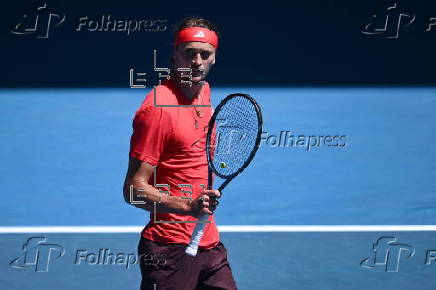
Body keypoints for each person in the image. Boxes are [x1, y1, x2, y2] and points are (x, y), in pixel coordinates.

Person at [123, 16, 237, 290]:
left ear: (214, 58)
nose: (196, 61)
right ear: (175, 54)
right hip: (168, 250)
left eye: (204, 54)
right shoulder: (158, 110)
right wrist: (188, 206)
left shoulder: (204, 92)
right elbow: (132, 190)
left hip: (208, 243)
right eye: (189, 52)